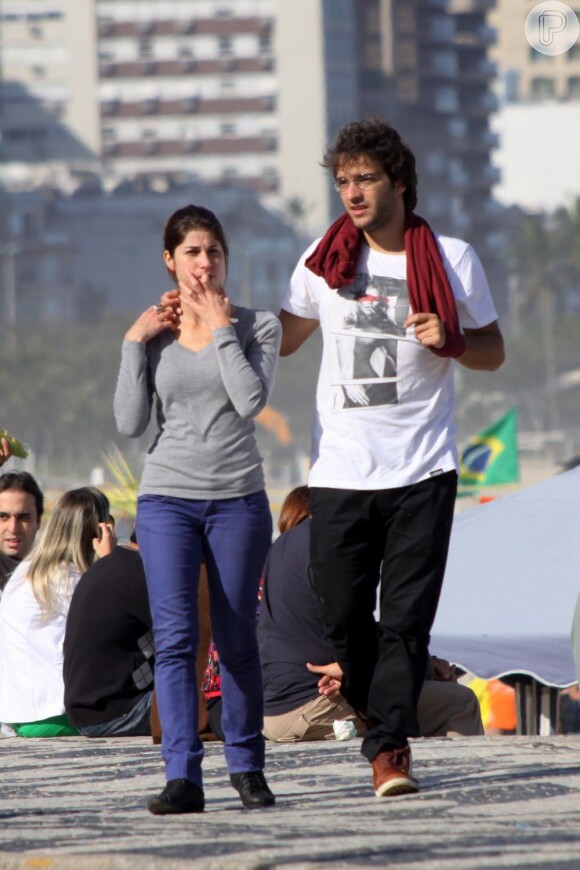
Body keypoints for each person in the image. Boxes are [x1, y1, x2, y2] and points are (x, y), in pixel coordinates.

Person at [279, 118, 504, 797]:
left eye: (366, 178)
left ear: (399, 182)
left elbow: (494, 350)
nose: (352, 191)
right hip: (342, 472)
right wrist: (215, 315)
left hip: (423, 469)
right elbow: (285, 338)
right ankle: (384, 724)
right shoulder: (323, 260)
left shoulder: (453, 258)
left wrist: (453, 340)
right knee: (345, 615)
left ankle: (389, 749)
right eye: (343, 180)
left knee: (406, 621)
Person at [114, 204, 281, 815]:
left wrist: (219, 329)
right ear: (170, 259)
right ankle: (182, 775)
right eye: (191, 252)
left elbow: (249, 401)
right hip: (165, 500)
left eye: (213, 251)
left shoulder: (258, 325)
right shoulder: (155, 334)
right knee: (178, 640)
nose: (204, 263)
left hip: (238, 498)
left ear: (226, 258)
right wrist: (135, 341)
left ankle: (247, 765)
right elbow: (130, 423)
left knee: (238, 637)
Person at [258, 486, 483, 743]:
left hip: (274, 706)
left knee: (421, 689)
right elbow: (349, 628)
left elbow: (348, 633)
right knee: (457, 701)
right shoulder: (331, 544)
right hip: (311, 705)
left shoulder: (282, 545)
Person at [0, 487, 115, 737]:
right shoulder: (69, 578)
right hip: (57, 715)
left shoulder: (29, 570)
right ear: (98, 530)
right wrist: (111, 562)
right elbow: (113, 626)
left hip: (19, 715)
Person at [63, 536, 155, 738]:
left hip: (87, 709)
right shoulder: (144, 573)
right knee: (213, 700)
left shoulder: (110, 564)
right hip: (114, 710)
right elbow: (189, 637)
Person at [0, 471, 44, 595]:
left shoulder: (53, 577)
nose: (13, 528)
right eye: (3, 516)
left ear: (38, 521)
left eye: (23, 517)